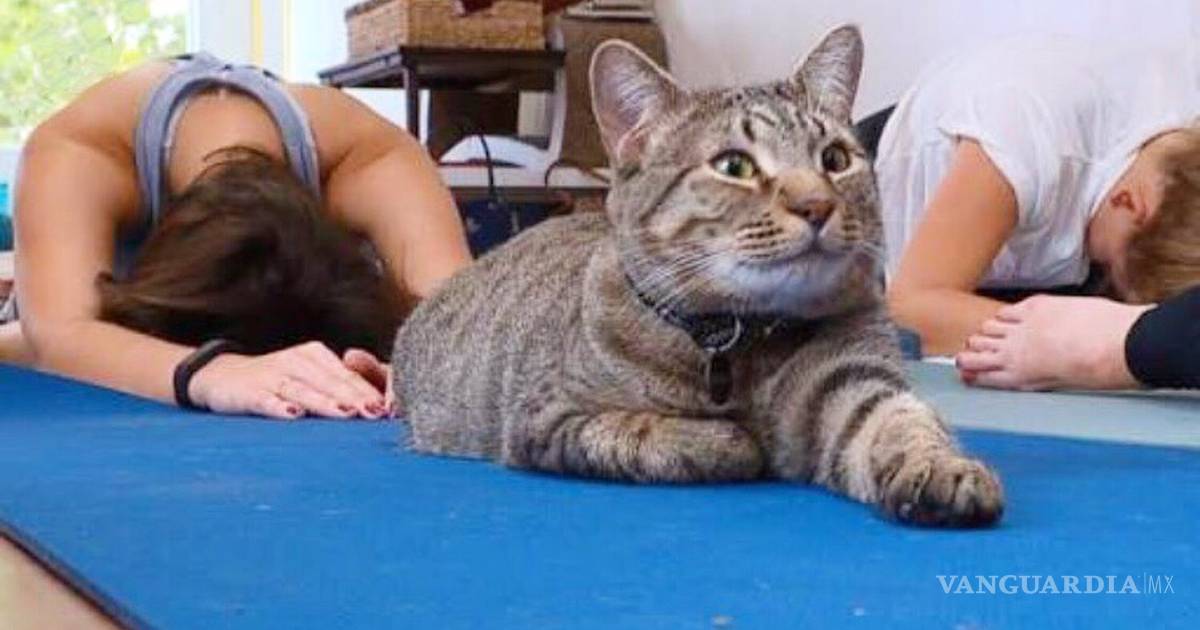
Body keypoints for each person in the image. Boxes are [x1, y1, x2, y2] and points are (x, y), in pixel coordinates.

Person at [0, 52, 472, 418]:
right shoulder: (80, 149)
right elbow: (61, 337)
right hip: (104, 312)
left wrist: (410, 368)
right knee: (35, 344)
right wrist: (211, 372)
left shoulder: (370, 155)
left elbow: (467, 320)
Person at [875, 34, 1200, 390]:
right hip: (892, 235)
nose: (1112, 276)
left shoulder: (1176, 141)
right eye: (1116, 265)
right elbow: (910, 311)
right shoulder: (1020, 134)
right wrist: (1068, 342)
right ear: (1129, 202)